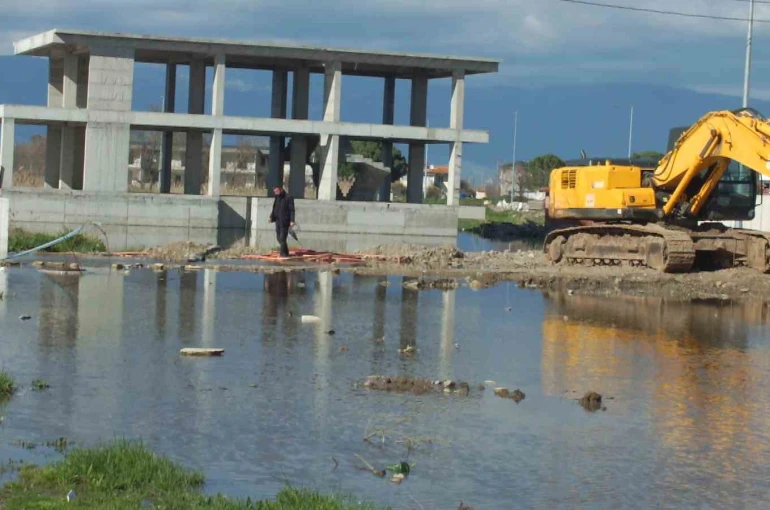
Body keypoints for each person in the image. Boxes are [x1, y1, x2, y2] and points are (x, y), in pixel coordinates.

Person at [268, 184, 295, 258]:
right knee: (279, 238)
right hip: (278, 220)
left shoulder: (288, 197)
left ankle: (282, 254)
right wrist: (271, 217)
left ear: (281, 189)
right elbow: (274, 208)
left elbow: (292, 210)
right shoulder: (277, 197)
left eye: (276, 191)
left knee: (283, 238)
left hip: (285, 221)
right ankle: (286, 252)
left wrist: (292, 220)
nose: (275, 193)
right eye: (274, 191)